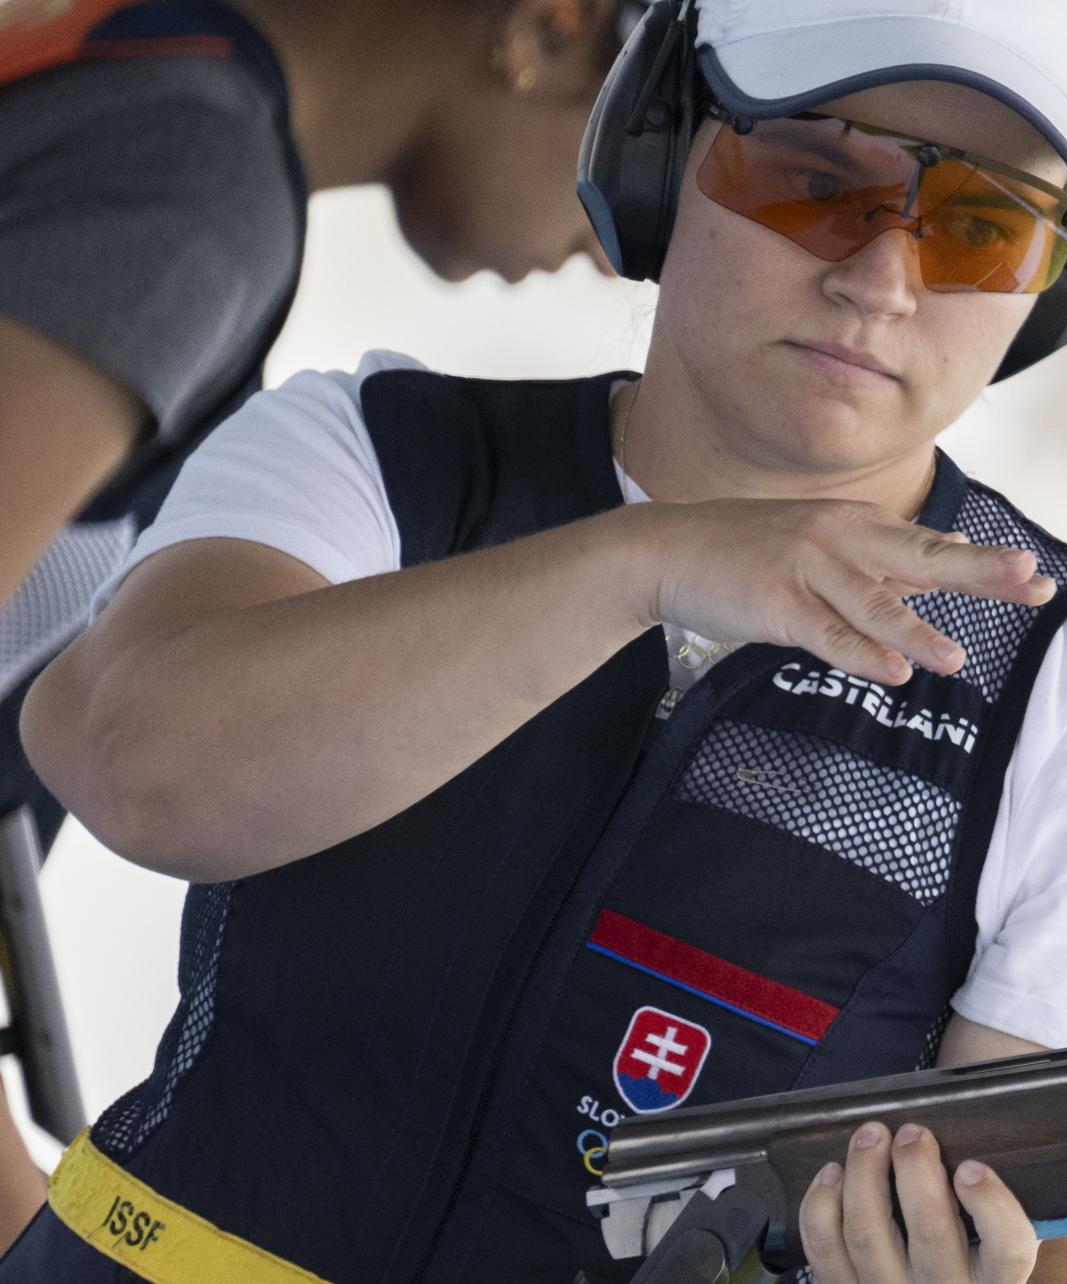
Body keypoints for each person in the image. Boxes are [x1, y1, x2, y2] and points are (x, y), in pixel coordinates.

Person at [10, 0, 1067, 1279]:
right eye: (816, 177)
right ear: (659, 146)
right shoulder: (376, 455)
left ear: (1056, 278)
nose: (883, 278)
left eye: (982, 226)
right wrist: (649, 563)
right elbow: (129, 757)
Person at [0, 0, 635, 1244]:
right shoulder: (190, 185)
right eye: (658, 115)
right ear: (554, 28)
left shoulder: (119, 66)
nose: (627, 246)